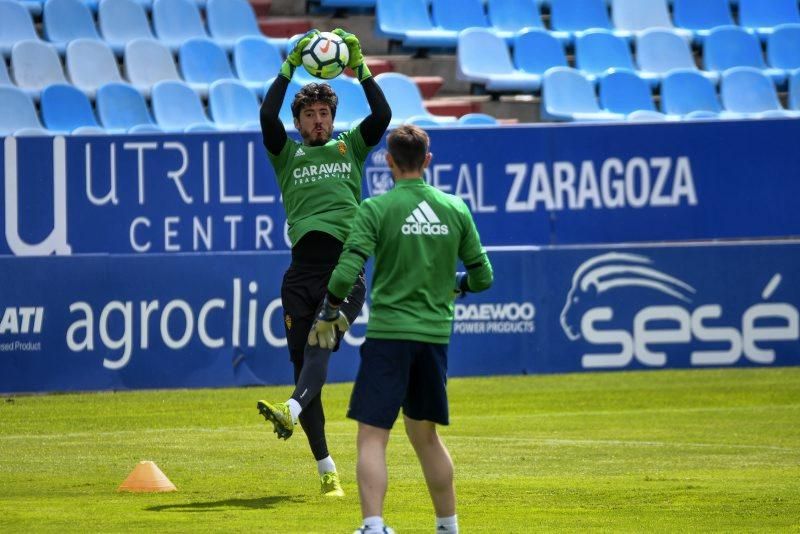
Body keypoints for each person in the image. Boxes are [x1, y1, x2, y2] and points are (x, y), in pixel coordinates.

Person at [308, 125, 493, 533]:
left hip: (390, 337)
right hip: (433, 339)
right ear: (427, 160)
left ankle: (374, 526)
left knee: (373, 437)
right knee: (426, 437)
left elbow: (345, 272)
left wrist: (329, 311)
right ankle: (448, 526)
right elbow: (483, 277)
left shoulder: (375, 209)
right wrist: (457, 283)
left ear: (388, 161)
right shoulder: (454, 209)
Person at [256, 28, 391, 498]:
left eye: (324, 113)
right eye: (310, 114)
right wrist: (288, 67)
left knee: (318, 347)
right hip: (299, 274)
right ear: (299, 121)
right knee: (303, 366)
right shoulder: (286, 153)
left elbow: (384, 114)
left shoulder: (350, 146)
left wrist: (362, 67)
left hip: (345, 270)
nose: (318, 120)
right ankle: (326, 468)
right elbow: (266, 114)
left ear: (334, 118)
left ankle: (290, 412)